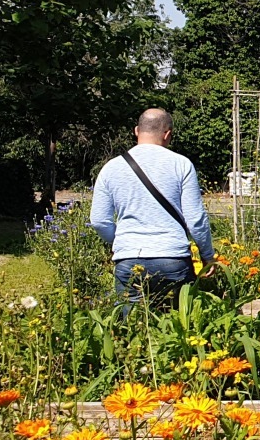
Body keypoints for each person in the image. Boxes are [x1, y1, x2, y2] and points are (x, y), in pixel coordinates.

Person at [90, 108, 215, 313]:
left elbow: (98, 221)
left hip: (129, 260)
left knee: (131, 328)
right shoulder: (181, 164)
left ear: (137, 131)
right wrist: (207, 256)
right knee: (176, 328)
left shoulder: (111, 167)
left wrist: (123, 240)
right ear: (167, 134)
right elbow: (196, 220)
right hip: (173, 259)